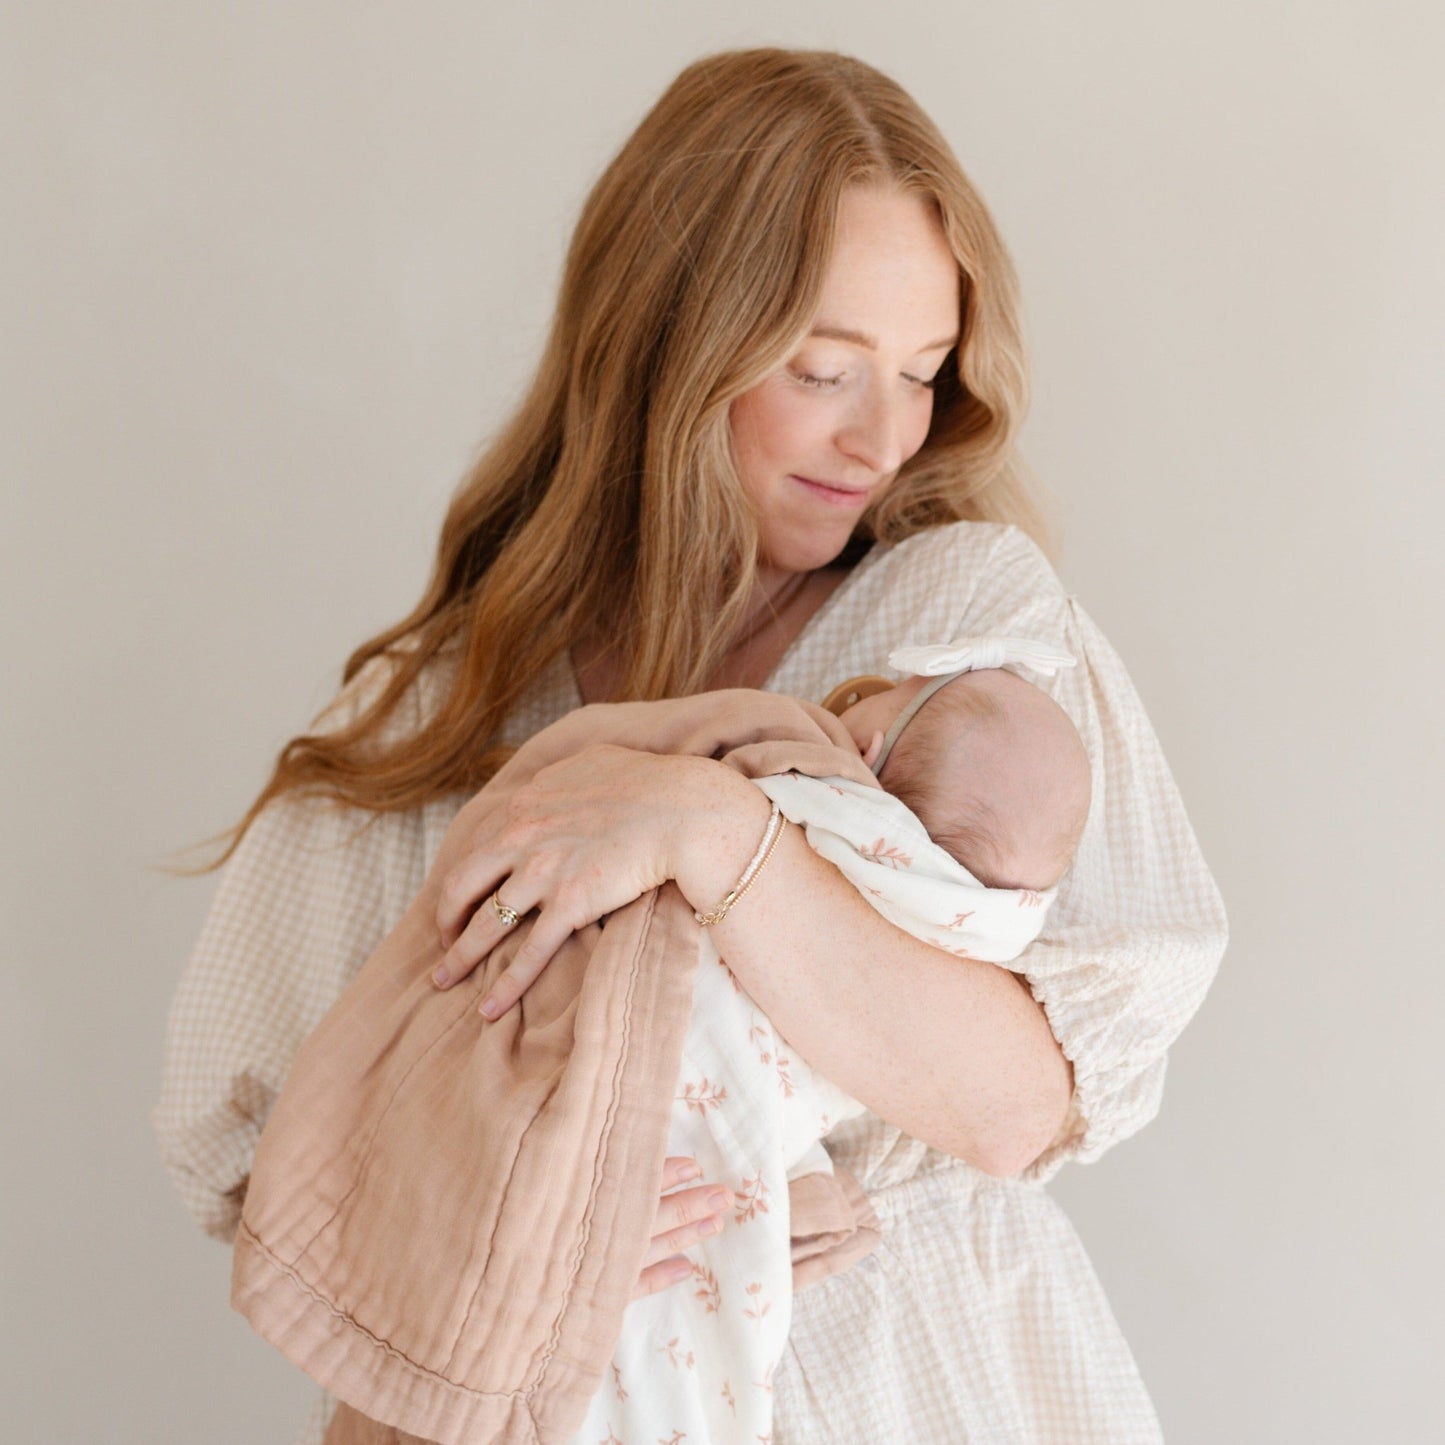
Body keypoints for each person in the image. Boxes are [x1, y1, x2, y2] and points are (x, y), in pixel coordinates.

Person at [156, 46, 1226, 1445]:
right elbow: (296, 1193)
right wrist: (531, 1248)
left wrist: (716, 837)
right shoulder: (446, 718)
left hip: (903, 1394)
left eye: (919, 371)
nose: (882, 437)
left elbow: (1017, 1107)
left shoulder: (951, 631)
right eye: (822, 367)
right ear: (668, 339)